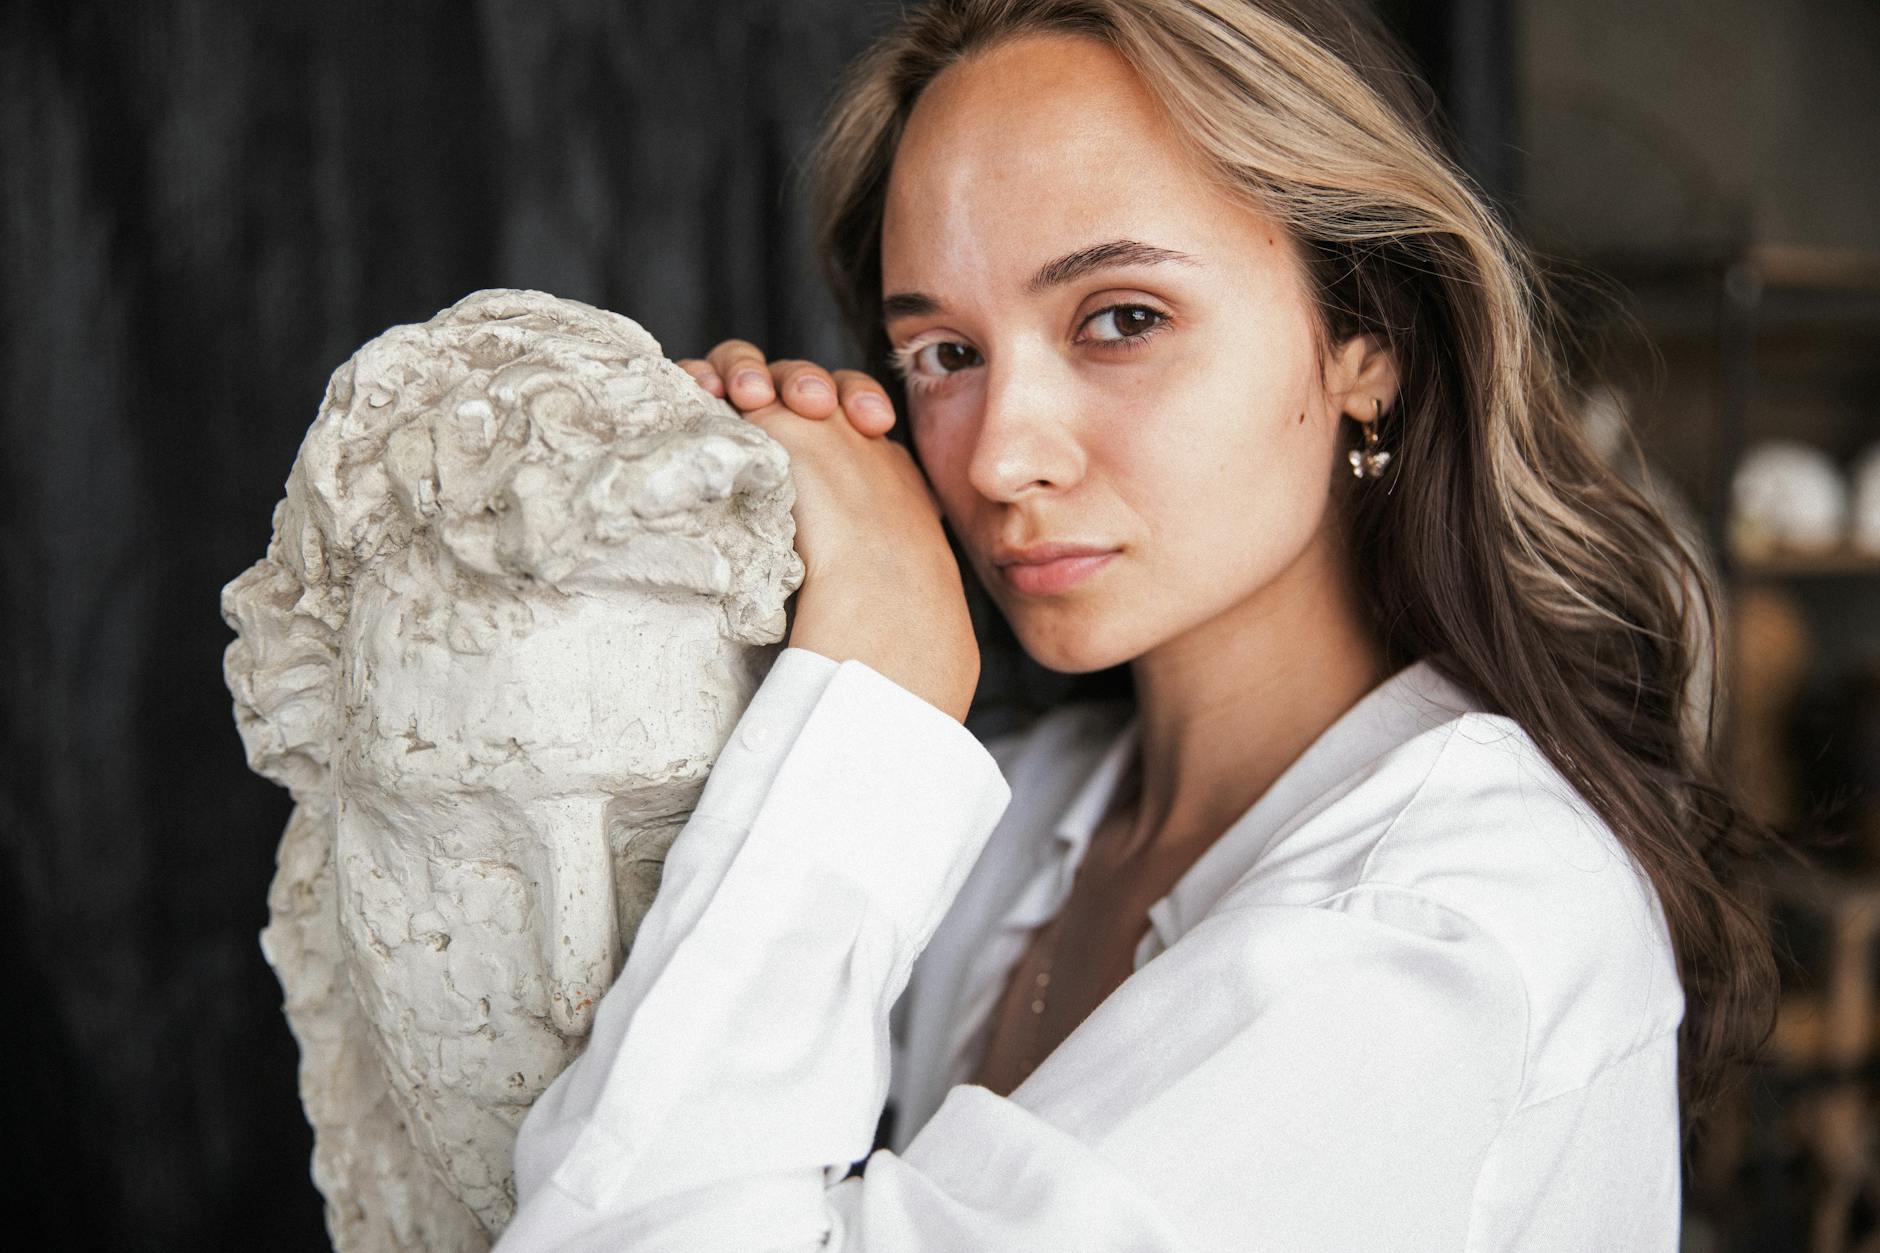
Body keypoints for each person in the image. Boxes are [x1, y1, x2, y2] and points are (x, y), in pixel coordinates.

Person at [497, 1, 1779, 1248]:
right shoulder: (1021, 815)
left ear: (1365, 340)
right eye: (942, 351)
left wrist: (869, 690)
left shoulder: (1444, 927)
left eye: (1120, 319)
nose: (998, 455)